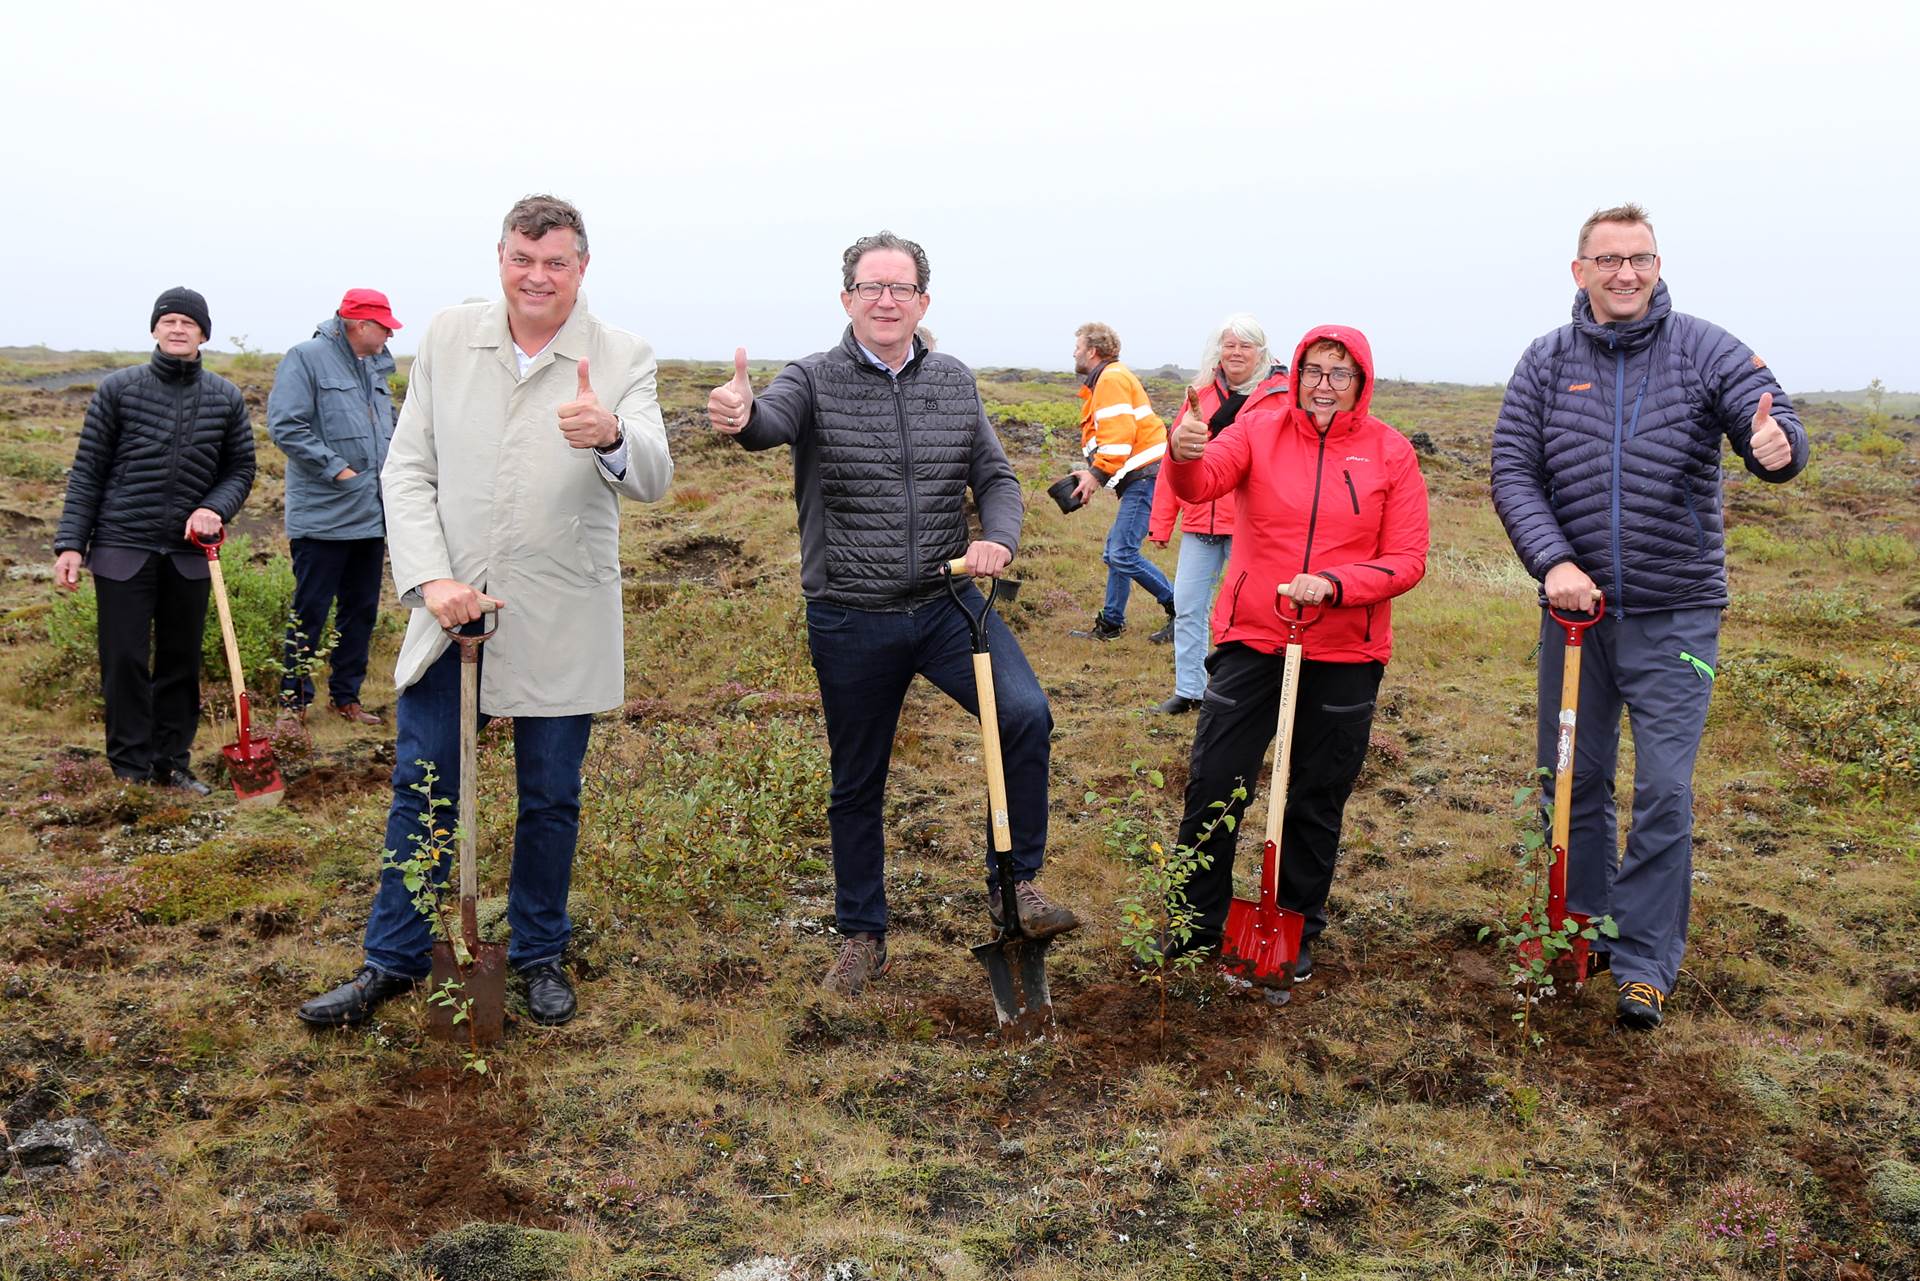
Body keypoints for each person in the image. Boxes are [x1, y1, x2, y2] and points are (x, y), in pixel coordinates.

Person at [298, 195, 672, 1029]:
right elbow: (409, 470)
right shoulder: (445, 337)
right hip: (453, 609)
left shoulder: (622, 355)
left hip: (561, 610)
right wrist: (431, 579)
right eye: (522, 259)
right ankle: (390, 960)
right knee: (423, 786)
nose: (537, 277)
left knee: (549, 795)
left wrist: (611, 435)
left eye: (557, 262)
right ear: (500, 256)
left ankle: (539, 952)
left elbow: (652, 473)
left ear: (583, 265)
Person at [706, 230, 1079, 998]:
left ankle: (1016, 885)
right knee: (858, 780)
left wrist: (998, 539)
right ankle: (862, 936)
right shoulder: (810, 377)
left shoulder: (952, 380)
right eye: (871, 287)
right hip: (850, 614)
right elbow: (767, 424)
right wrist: (741, 415)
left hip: (947, 605)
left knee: (1023, 715)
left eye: (900, 288)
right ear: (847, 299)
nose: (886, 299)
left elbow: (996, 476)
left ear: (923, 301)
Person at [1491, 203, 1807, 1031]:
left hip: (1677, 616)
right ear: (1579, 270)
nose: (1625, 273)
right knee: (1572, 778)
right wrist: (1555, 562)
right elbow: (1512, 470)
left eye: (1640, 258)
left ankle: (1643, 960)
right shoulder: (1546, 362)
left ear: (1657, 265)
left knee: (1663, 789)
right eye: (1608, 259)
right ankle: (1583, 927)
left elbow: (1770, 417)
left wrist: (1781, 450)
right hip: (1576, 617)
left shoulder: (1705, 347)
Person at [1163, 325, 1429, 983]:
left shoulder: (1390, 453)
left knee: (1315, 793)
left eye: (1340, 373)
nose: (1324, 385)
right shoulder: (1257, 429)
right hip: (1255, 632)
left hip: (1346, 644)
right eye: (1314, 369)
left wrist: (1337, 585)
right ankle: (1194, 922)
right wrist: (1182, 453)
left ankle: (1295, 923)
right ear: (1297, 371)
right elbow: (1202, 485)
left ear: (1361, 382)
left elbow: (1407, 558)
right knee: (1216, 780)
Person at [52, 287, 256, 795]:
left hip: (189, 554)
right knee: (123, 659)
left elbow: (241, 468)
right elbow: (87, 472)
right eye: (169, 321)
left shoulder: (225, 397)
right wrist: (71, 545)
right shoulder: (118, 390)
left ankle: (171, 762)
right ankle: (130, 768)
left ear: (203, 333)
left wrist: (214, 507)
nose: (178, 329)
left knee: (180, 662)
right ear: (154, 330)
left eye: (189, 322)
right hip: (123, 545)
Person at [267, 288, 403, 724]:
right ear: (360, 325)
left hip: (370, 515)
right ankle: (294, 701)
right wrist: (337, 468)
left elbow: (388, 428)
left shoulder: (376, 367)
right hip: (323, 517)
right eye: (384, 327)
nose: (389, 336)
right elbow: (286, 424)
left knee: (361, 610)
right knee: (311, 609)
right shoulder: (305, 358)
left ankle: (348, 698)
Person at [1146, 315, 1289, 714]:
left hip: (1249, 525)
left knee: (1251, 612)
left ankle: (1247, 692)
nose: (1236, 352)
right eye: (1230, 345)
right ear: (1218, 351)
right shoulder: (1201, 395)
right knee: (1188, 605)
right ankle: (1190, 691)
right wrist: (1161, 521)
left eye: (1246, 345)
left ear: (1261, 352)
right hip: (1198, 522)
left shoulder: (1281, 398)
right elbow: (1173, 457)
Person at [1065, 323, 1175, 641]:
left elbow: (1119, 436)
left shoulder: (1111, 379)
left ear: (1092, 350)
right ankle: (1112, 623)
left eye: (1078, 345)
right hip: (1140, 476)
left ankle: (1181, 611)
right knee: (1115, 550)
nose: (1074, 352)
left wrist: (1096, 476)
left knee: (1122, 553)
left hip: (1144, 476)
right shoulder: (1107, 379)